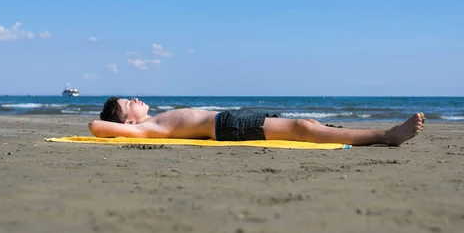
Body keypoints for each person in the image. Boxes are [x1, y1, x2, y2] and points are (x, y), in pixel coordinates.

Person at [88, 97, 425, 146]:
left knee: (305, 123)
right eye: (128, 103)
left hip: (229, 120)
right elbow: (95, 127)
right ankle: (385, 135)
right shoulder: (147, 127)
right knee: (303, 130)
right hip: (227, 126)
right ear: (128, 122)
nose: (135, 99)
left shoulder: (155, 119)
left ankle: (373, 134)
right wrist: (122, 127)